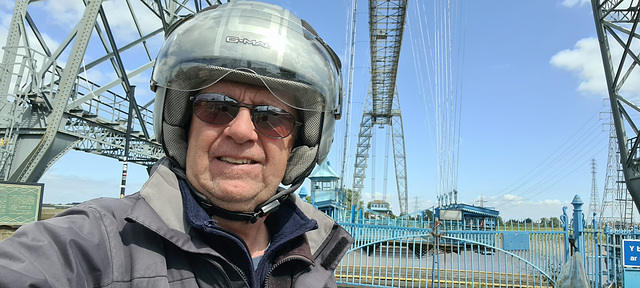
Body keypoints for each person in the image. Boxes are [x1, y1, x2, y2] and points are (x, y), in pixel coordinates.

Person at [0, 1, 353, 287]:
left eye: (272, 116)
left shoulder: (318, 255)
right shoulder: (97, 243)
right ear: (183, 125)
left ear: (302, 144)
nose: (242, 131)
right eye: (216, 107)